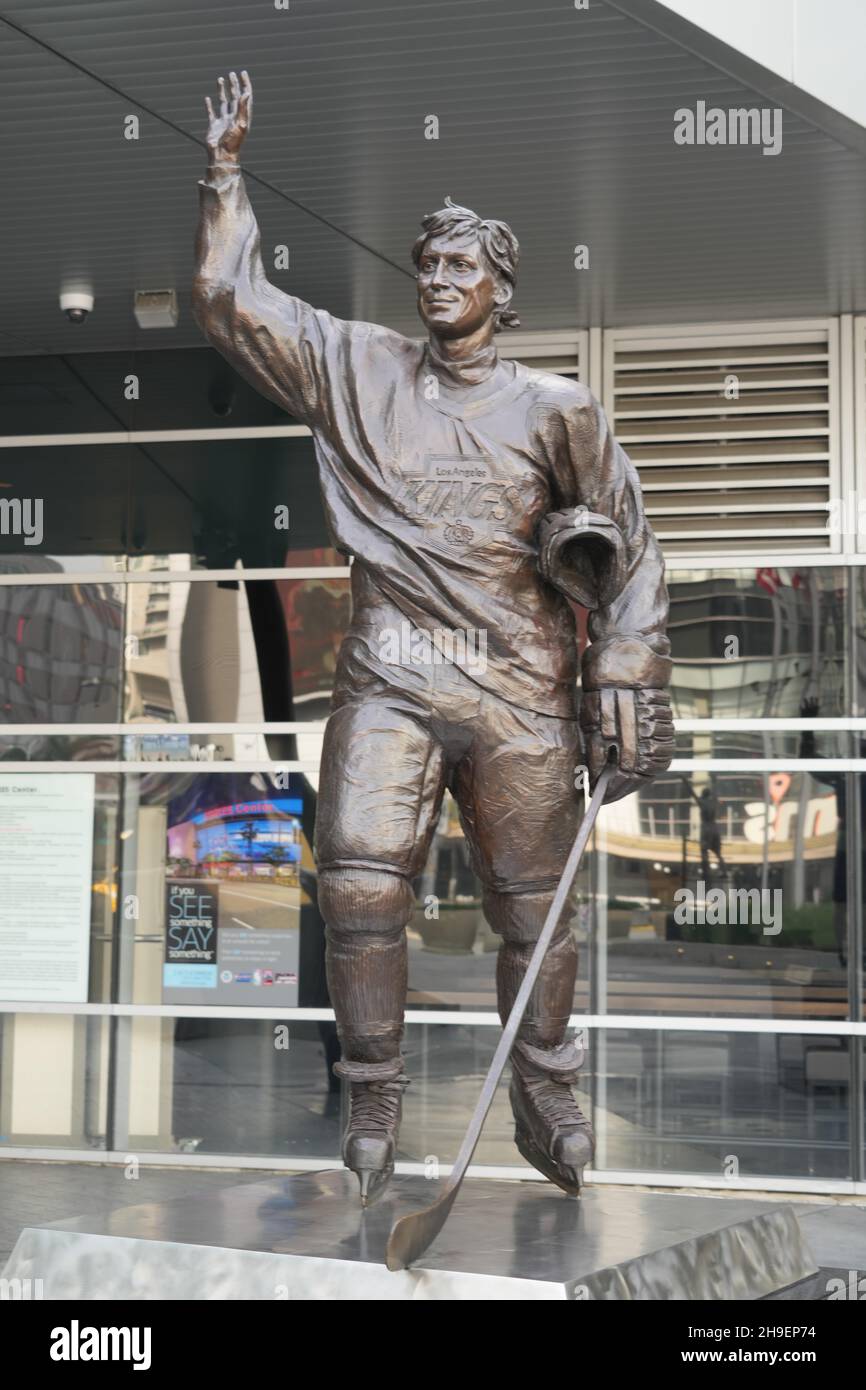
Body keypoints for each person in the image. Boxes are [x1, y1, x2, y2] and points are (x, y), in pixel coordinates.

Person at [193, 72, 674, 1204]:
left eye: (463, 267)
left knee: (529, 905)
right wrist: (223, 171)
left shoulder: (557, 409)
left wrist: (620, 669)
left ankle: (545, 1084)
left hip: (516, 686)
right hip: (391, 680)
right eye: (428, 264)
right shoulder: (359, 368)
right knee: (357, 886)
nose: (439, 280)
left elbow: (638, 551)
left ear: (501, 292)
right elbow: (225, 296)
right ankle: (370, 1086)